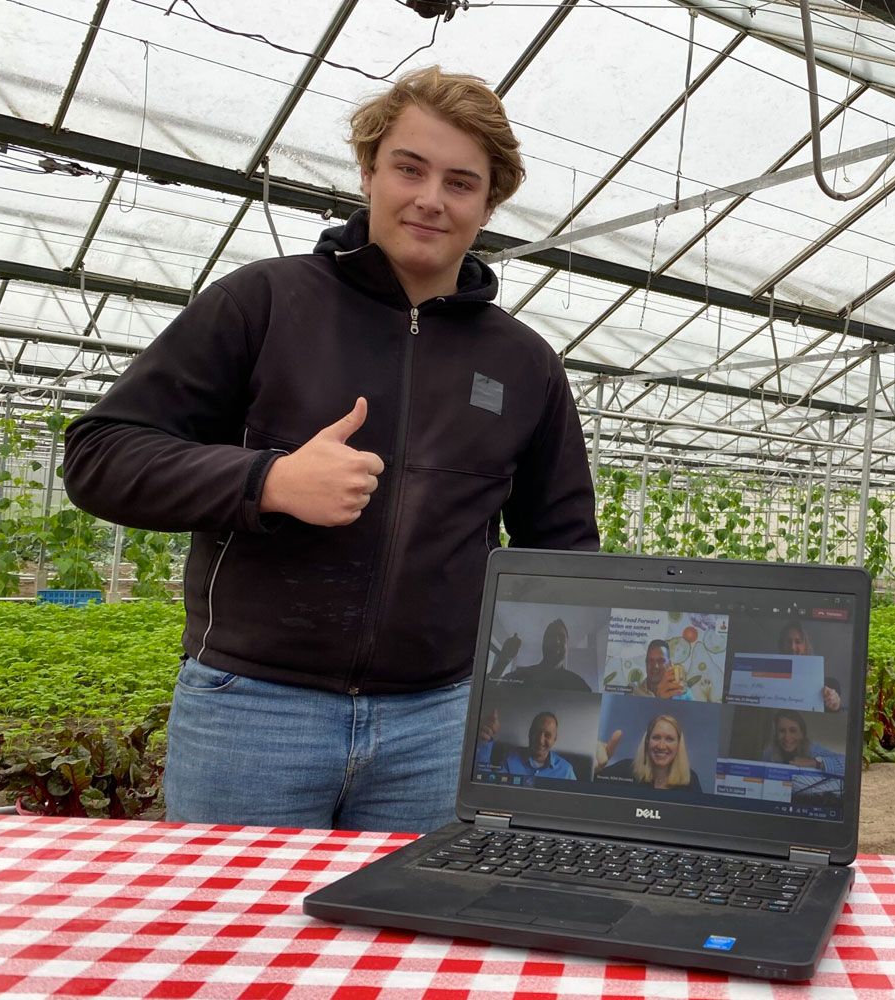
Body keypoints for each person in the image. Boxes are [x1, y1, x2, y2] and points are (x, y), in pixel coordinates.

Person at [61, 68, 598, 833]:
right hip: (254, 710)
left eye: (460, 182)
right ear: (369, 171)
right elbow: (100, 453)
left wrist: (561, 717)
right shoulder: (266, 302)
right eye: (409, 168)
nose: (429, 199)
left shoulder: (524, 363)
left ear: (489, 202)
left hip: (439, 722)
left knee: (412, 949)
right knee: (234, 939)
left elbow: (564, 545)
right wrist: (267, 480)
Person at [594, 715, 701, 792]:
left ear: (678, 745)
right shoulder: (625, 769)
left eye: (669, 739)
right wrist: (592, 768)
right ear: (647, 741)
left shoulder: (691, 781)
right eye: (656, 738)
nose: (661, 746)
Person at [476, 709, 579, 779]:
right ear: (530, 733)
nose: (540, 740)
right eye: (537, 732)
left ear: (555, 739)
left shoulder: (566, 771)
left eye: (547, 735)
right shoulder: (510, 758)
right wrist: (485, 741)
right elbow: (487, 780)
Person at [500, 619, 590, 691]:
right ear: (544, 643)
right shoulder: (520, 676)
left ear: (567, 646)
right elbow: (492, 694)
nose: (557, 641)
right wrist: (503, 661)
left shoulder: (578, 685)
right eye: (551, 636)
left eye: (562, 638)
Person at [776, 620, 842, 711]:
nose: (792, 647)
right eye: (788, 641)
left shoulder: (830, 684)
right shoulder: (774, 682)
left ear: (805, 645)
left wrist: (835, 704)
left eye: (798, 641)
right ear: (782, 646)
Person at [763, 710, 844, 775]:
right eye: (782, 731)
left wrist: (814, 763)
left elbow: (848, 764)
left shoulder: (812, 748)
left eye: (793, 731)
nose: (787, 737)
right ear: (776, 734)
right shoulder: (769, 753)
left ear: (802, 733)